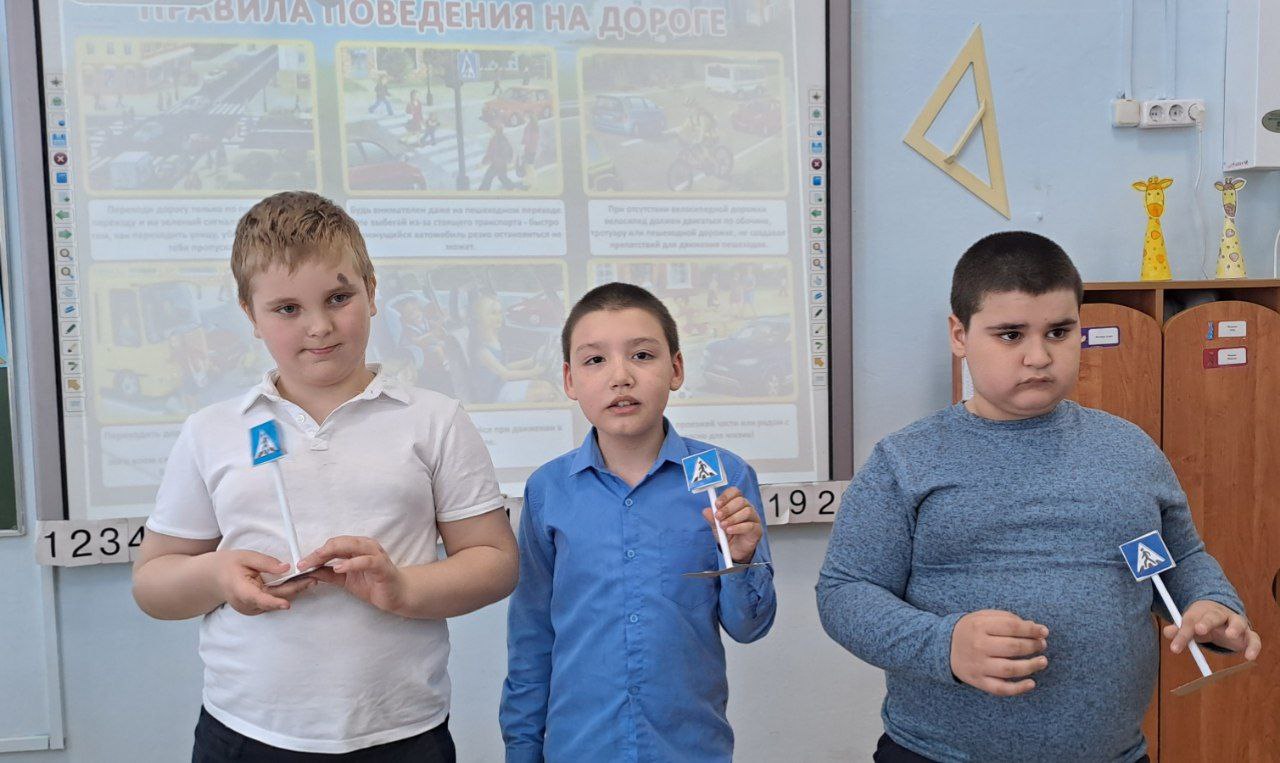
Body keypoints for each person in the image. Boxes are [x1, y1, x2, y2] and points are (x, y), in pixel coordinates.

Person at [816, 231, 1262, 762]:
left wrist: (1210, 603)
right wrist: (945, 645)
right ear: (959, 335)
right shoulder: (906, 461)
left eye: (1059, 332)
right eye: (1010, 335)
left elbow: (1176, 559)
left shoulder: (1128, 450)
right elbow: (845, 592)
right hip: (936, 754)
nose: (1038, 356)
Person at [132, 191, 519, 761]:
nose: (319, 326)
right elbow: (152, 584)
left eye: (339, 298)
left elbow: (495, 562)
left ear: (372, 291)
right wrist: (218, 576)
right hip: (245, 732)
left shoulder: (434, 420)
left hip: (401, 732)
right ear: (250, 315)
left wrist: (402, 588)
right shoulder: (212, 430)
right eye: (287, 309)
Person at [501, 282, 776, 761]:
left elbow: (749, 627)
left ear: (676, 369)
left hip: (690, 749)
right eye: (595, 360)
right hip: (579, 748)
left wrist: (741, 558)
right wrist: (522, 750)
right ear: (569, 380)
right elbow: (531, 636)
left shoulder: (724, 477)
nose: (621, 377)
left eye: (642, 356)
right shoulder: (548, 489)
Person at [465, 291, 554, 403]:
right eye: (493, 313)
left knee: (546, 385)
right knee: (544, 393)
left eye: (500, 313)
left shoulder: (494, 342)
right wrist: (534, 372)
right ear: (481, 317)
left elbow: (504, 367)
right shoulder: (481, 351)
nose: (499, 317)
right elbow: (505, 374)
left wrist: (529, 361)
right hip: (495, 395)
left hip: (502, 386)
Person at [478, 119, 525, 191]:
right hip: (502, 163)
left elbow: (490, 153)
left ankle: (483, 191)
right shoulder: (503, 138)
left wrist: (483, 162)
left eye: (490, 129)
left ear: (494, 130)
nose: (489, 131)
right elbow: (509, 150)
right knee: (502, 177)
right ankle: (512, 187)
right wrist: (508, 159)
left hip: (497, 163)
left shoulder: (495, 140)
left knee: (488, 177)